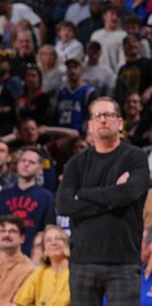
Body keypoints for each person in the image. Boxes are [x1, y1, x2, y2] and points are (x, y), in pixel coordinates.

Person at [57, 96, 149, 305]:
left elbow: (130, 193)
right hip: (82, 262)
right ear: (90, 125)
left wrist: (84, 194)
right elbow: (64, 205)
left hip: (123, 262)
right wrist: (114, 194)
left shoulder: (135, 157)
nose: (103, 120)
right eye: (98, 116)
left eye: (109, 115)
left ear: (120, 123)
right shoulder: (75, 164)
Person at [0, 148, 55, 255]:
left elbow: (48, 230)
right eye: (23, 160)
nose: (26, 165)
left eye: (31, 162)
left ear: (39, 168)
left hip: (32, 258)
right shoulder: (3, 195)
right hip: (4, 256)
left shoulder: (46, 197)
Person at [12, 225, 71, 306]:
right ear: (44, 251)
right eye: (48, 240)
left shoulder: (76, 273)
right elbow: (20, 303)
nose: (54, 243)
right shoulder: (40, 272)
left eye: (58, 238)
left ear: (66, 245)